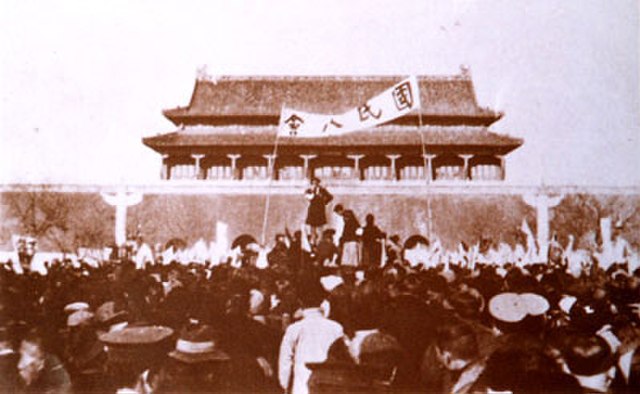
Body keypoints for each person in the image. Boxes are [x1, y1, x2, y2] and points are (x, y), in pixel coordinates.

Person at [278, 285, 344, 394]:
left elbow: (285, 359)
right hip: (329, 384)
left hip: (302, 384)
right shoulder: (336, 327)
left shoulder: (295, 328)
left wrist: (285, 385)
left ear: (300, 302)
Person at [17, 328, 72, 393]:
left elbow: (64, 385)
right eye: (22, 348)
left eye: (24, 348)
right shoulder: (24, 362)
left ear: (35, 347)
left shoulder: (52, 362)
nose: (21, 350)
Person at [304, 178, 333, 246]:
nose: (314, 184)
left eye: (316, 182)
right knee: (312, 227)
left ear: (318, 183)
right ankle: (313, 241)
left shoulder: (322, 190)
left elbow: (330, 197)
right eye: (313, 183)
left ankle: (320, 242)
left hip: (320, 210)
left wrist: (324, 201)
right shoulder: (309, 190)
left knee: (320, 227)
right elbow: (308, 197)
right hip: (313, 211)